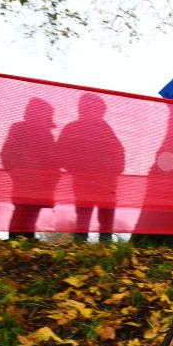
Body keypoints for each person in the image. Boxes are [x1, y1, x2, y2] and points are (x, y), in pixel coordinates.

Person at [57, 94, 126, 242]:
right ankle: (80, 246)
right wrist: (79, 168)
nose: (96, 111)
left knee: (106, 215)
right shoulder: (72, 128)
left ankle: (105, 245)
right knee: (83, 215)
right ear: (82, 109)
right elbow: (61, 153)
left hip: (107, 181)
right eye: (90, 107)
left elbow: (119, 152)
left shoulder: (107, 130)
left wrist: (115, 169)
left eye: (99, 108)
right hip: (84, 180)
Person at [0, 98, 61, 239]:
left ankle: (25, 241)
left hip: (41, 180)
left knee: (32, 210)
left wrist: (53, 172)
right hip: (26, 178)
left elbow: (53, 157)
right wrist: (19, 171)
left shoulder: (46, 134)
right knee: (23, 210)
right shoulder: (18, 129)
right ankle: (15, 242)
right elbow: (8, 153)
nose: (45, 120)